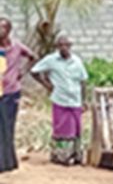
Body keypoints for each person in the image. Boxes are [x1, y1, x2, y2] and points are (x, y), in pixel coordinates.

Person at [31, 33, 89, 166]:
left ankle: (76, 155)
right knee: (62, 129)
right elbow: (34, 71)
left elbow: (83, 81)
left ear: (70, 46)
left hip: (75, 100)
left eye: (66, 45)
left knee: (77, 129)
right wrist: (47, 85)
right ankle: (61, 156)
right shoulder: (51, 60)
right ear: (56, 47)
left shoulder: (77, 61)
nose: (63, 48)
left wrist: (84, 100)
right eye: (60, 45)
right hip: (60, 100)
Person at [1, 18, 34, 173]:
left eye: (4, 27)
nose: (1, 30)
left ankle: (7, 163)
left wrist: (22, 72)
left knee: (8, 127)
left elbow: (32, 57)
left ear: (9, 30)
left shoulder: (16, 47)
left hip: (11, 92)